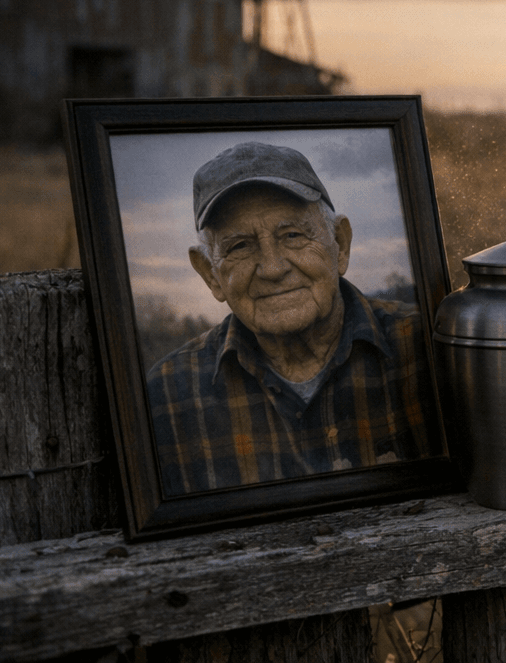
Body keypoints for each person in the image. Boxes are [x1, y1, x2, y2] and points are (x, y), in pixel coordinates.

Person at [146, 141, 438, 496]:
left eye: (293, 236)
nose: (272, 268)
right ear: (210, 274)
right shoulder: (166, 398)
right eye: (239, 246)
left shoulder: (431, 349)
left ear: (340, 244)